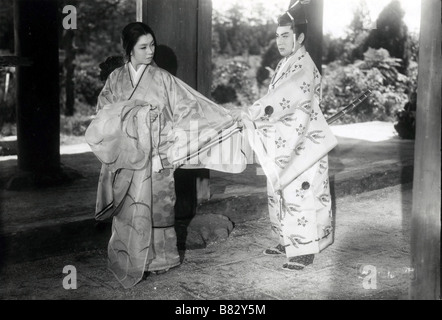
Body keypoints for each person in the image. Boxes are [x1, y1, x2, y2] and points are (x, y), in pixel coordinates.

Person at [85, 22, 246, 289]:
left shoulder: (163, 79)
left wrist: (224, 119)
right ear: (129, 50)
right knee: (127, 209)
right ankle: (130, 257)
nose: (150, 52)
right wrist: (133, 114)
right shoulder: (115, 79)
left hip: (158, 153)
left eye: (153, 46)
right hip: (128, 154)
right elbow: (104, 115)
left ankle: (159, 260)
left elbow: (190, 106)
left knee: (158, 207)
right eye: (143, 47)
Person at [231, 2, 338, 271]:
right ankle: (286, 239)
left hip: (303, 141)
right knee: (280, 189)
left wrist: (253, 112)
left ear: (299, 37)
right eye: (277, 35)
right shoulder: (285, 63)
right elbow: (274, 100)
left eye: (285, 35)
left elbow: (284, 98)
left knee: (301, 193)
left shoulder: (303, 66)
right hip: (286, 137)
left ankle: (305, 248)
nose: (279, 41)